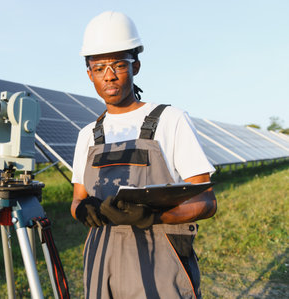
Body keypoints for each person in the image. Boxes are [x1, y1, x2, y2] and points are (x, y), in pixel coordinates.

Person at [70, 11, 217, 299]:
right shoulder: (87, 134)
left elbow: (207, 201)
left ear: (135, 66)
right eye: (99, 68)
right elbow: (78, 198)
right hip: (102, 266)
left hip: (161, 267)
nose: (109, 76)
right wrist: (84, 212)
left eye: (118, 65)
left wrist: (153, 215)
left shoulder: (170, 120)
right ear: (89, 74)